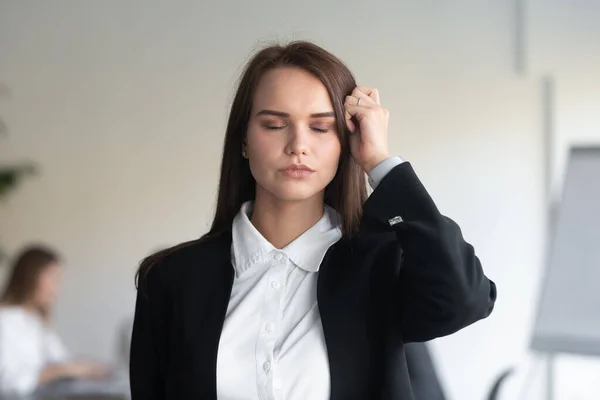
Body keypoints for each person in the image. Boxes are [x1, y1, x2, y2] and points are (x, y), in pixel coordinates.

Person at [130, 41, 497, 399]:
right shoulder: (170, 279)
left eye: (321, 128)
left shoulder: (381, 267)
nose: (298, 145)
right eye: (274, 125)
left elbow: (466, 299)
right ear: (243, 140)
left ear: (345, 142)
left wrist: (380, 163)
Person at [0, 245, 109, 396]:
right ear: (30, 277)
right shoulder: (5, 321)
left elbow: (61, 360)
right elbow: (10, 383)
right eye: (52, 278)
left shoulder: (36, 321)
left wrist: (85, 367)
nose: (55, 289)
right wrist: (63, 370)